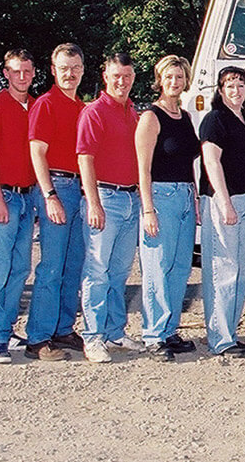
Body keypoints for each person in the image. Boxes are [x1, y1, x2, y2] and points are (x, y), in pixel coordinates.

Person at [77, 52, 144, 363]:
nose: (122, 81)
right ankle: (92, 337)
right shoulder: (94, 112)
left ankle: (114, 331)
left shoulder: (132, 113)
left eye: (127, 76)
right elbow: (85, 158)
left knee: (119, 272)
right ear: (105, 76)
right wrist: (93, 202)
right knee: (97, 272)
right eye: (116, 75)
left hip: (131, 199)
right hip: (105, 198)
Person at [199, 66, 245, 357]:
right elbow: (212, 162)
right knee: (223, 270)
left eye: (240, 85)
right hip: (225, 203)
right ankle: (220, 339)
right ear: (220, 90)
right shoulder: (215, 120)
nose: (236, 90)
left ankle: (231, 331)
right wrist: (223, 201)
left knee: (240, 271)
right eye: (229, 85)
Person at [136, 55, 201, 359]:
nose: (174, 82)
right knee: (157, 268)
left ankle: (169, 330)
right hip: (161, 197)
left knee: (179, 268)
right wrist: (148, 209)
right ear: (160, 80)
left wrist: (196, 198)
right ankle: (153, 335)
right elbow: (143, 169)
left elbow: (188, 162)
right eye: (169, 77)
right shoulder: (151, 117)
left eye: (179, 77)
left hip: (186, 196)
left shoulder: (185, 117)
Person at [25, 43, 87, 361]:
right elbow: (37, 152)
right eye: (64, 67)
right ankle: (38, 338)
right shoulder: (45, 104)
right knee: (51, 266)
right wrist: (49, 195)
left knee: (73, 264)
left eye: (75, 67)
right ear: (53, 70)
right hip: (57, 187)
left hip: (79, 189)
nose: (70, 73)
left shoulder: (82, 108)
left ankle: (63, 328)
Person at [0, 49, 36, 364]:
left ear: (34, 72)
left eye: (27, 71)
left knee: (20, 269)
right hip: (4, 198)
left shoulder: (35, 107)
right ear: (6, 73)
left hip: (28, 197)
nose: (22, 77)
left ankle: (7, 327)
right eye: (16, 71)